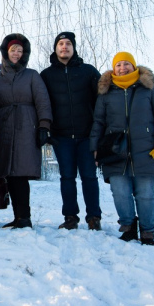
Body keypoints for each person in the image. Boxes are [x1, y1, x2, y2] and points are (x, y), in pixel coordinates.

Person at [89, 52, 154, 246]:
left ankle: (147, 231)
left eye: (126, 64)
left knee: (145, 194)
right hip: (115, 150)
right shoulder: (106, 91)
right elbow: (98, 121)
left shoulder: (148, 88)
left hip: (146, 150)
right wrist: (95, 148)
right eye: (118, 65)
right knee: (120, 192)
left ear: (134, 66)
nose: (122, 68)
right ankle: (128, 227)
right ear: (113, 68)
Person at [40, 32, 103, 231]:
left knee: (89, 177)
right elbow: (42, 104)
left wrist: (99, 132)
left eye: (68, 43)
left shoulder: (88, 71)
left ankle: (94, 217)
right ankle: (70, 217)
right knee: (67, 177)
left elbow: (101, 102)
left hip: (87, 136)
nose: (64, 47)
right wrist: (46, 129)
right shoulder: (46, 75)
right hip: (61, 137)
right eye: (61, 44)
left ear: (74, 48)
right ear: (55, 48)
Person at [0, 34, 52, 229]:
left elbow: (42, 101)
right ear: (6, 52)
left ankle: (25, 217)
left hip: (27, 126)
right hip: (4, 129)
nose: (16, 53)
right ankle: (17, 217)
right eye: (13, 50)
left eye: (20, 50)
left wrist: (44, 126)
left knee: (20, 173)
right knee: (9, 173)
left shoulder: (32, 75)